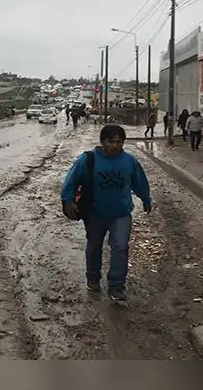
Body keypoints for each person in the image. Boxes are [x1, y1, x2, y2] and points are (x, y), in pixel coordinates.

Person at [60, 124, 153, 301]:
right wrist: (68, 200)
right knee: (94, 246)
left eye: (120, 142)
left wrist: (146, 199)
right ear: (103, 142)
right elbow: (71, 180)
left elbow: (140, 182)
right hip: (95, 213)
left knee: (120, 247)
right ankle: (93, 277)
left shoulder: (129, 161)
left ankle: (117, 285)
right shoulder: (88, 160)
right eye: (112, 142)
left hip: (121, 214)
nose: (116, 145)